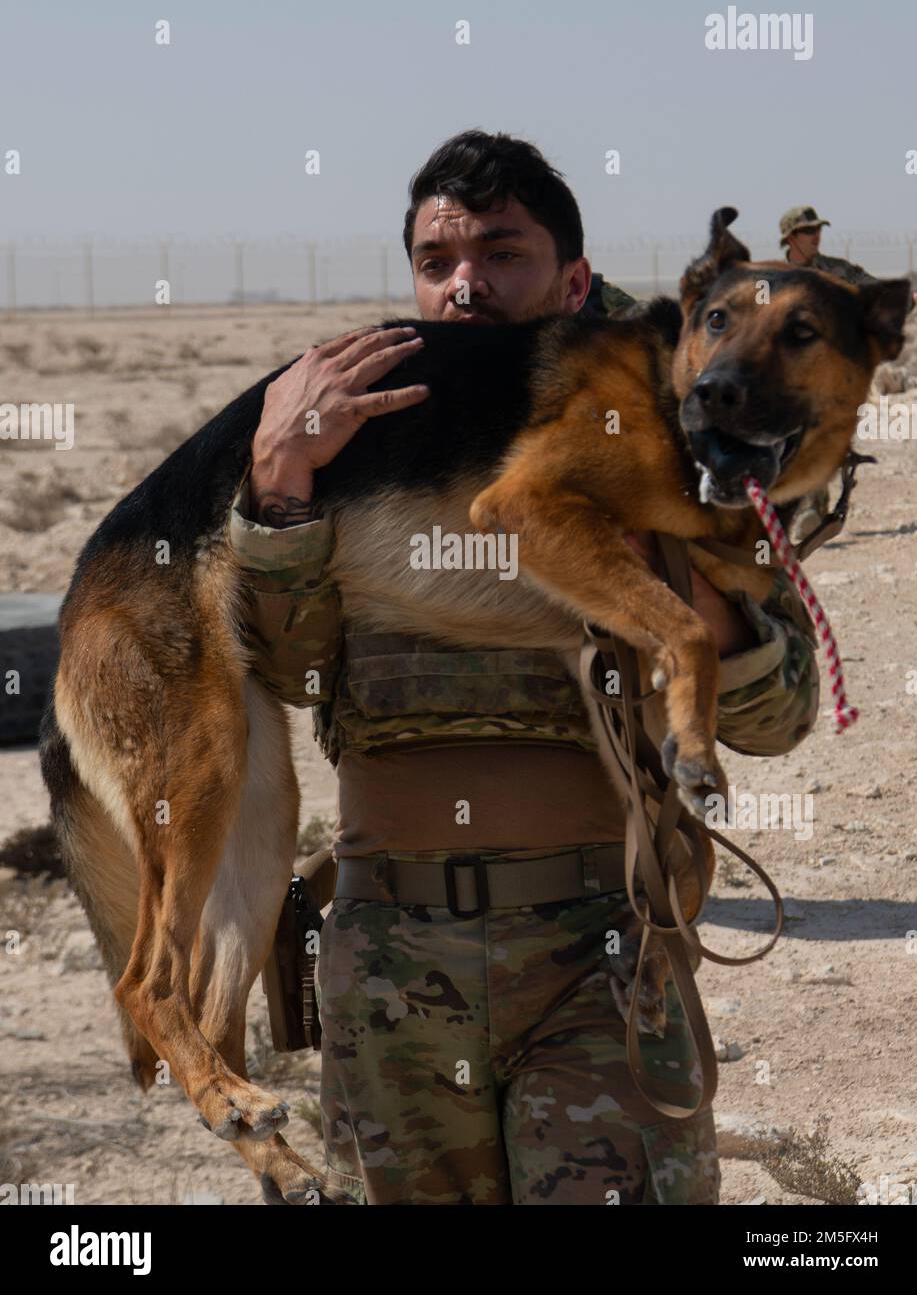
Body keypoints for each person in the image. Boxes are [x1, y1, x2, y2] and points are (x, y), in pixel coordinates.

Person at [227, 132, 820, 1205]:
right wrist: (277, 493)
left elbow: (780, 717)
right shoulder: (352, 452)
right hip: (391, 968)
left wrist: (662, 572)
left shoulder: (669, 451)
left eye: (502, 255)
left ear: (573, 281)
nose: (465, 287)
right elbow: (282, 669)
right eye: (437, 262)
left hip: (599, 958)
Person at [779, 206, 917, 541]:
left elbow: (872, 290)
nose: (816, 236)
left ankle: (811, 510)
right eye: (807, 231)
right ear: (790, 238)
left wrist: (912, 298)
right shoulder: (771, 279)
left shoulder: (835, 271)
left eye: (818, 229)